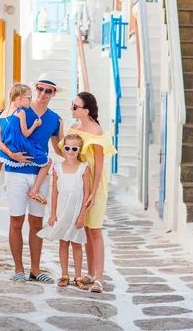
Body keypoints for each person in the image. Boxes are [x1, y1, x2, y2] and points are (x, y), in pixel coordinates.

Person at [0, 74, 63, 283]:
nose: (43, 94)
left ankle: (35, 270)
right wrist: (10, 154)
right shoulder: (17, 108)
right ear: (34, 89)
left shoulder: (55, 119)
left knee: (37, 223)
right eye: (40, 89)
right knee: (16, 221)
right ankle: (19, 269)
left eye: (48, 90)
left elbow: (58, 147)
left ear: (54, 94)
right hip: (16, 173)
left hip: (40, 175)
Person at [64, 92, 117, 293]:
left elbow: (100, 167)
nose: (72, 108)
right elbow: (68, 153)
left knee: (95, 229)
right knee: (85, 229)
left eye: (75, 106)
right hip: (79, 184)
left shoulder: (96, 133)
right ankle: (90, 271)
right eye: (72, 105)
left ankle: (100, 277)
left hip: (96, 186)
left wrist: (93, 194)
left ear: (86, 111)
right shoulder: (74, 128)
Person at [37, 134, 90, 288]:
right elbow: (55, 192)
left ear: (79, 150)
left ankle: (78, 277)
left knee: (77, 243)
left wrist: (82, 215)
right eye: (67, 148)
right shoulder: (57, 168)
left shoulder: (83, 168)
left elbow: (86, 193)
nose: (70, 151)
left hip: (76, 211)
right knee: (63, 242)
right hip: (62, 210)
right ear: (63, 148)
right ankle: (64, 274)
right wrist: (53, 214)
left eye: (74, 148)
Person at [0, 83, 50, 202]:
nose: (30, 100)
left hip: (8, 145)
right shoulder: (20, 112)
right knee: (47, 161)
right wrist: (35, 125)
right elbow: (25, 134)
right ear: (20, 99)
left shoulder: (3, 113)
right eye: (29, 98)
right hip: (20, 146)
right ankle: (35, 191)